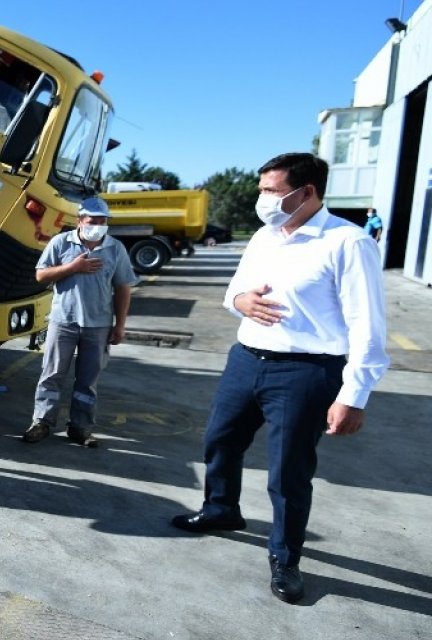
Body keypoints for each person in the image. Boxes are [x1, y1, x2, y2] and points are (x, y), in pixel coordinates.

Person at [170, 153, 389, 604]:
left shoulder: (346, 243)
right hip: (246, 359)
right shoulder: (265, 238)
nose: (263, 200)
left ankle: (285, 558)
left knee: (288, 470)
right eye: (262, 190)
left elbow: (368, 327)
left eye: (272, 191)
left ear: (307, 192)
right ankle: (221, 509)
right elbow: (235, 290)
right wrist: (241, 302)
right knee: (220, 440)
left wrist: (355, 395)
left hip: (305, 371)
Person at [23, 196, 136, 448]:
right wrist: (72, 267)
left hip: (98, 325)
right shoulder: (61, 243)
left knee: (87, 380)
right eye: (92, 220)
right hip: (63, 321)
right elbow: (41, 275)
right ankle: (41, 421)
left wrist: (119, 325)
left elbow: (123, 288)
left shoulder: (115, 248)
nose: (98, 225)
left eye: (103, 221)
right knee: (51, 374)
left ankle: (80, 427)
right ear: (80, 221)